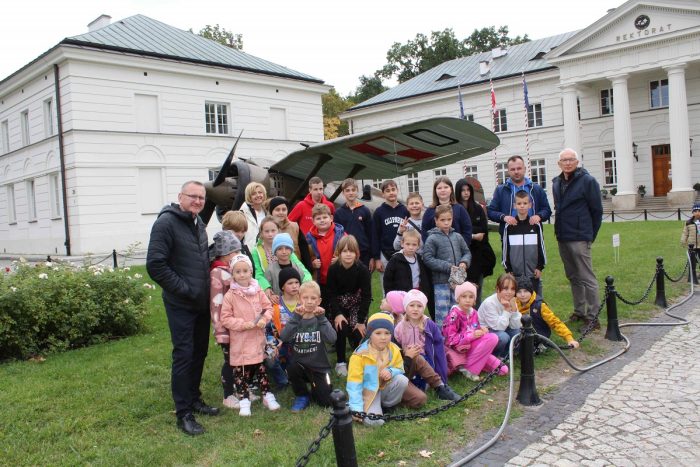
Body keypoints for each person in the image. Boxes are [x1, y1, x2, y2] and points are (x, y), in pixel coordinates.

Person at [146, 180, 219, 436]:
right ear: (180, 197)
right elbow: (155, 265)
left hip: (200, 302)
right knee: (184, 354)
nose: (198, 201)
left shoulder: (197, 223)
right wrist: (185, 289)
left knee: (199, 352)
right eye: (193, 196)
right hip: (181, 303)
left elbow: (195, 259)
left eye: (201, 197)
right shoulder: (166, 223)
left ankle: (194, 398)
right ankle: (183, 413)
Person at [219, 254, 281, 416]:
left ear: (251, 272)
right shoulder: (230, 295)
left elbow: (267, 308)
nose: (242, 274)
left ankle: (267, 394)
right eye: (238, 271)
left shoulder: (258, 290)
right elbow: (225, 318)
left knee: (261, 368)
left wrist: (264, 320)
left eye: (245, 270)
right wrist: (242, 324)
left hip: (257, 337)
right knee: (240, 371)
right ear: (233, 274)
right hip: (240, 340)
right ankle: (244, 399)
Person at [552, 148, 603, 328]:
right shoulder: (556, 182)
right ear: (559, 164)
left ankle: (593, 316)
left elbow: (597, 211)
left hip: (580, 236)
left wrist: (590, 235)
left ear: (577, 162)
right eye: (564, 160)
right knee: (573, 276)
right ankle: (579, 311)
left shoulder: (587, 181)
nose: (567, 163)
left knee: (586, 276)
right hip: (563, 236)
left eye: (571, 159)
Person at [347, 313, 427, 427]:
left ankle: (387, 406)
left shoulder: (393, 348)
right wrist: (356, 408)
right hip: (369, 392)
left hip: (386, 386)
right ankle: (369, 407)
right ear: (370, 334)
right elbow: (354, 384)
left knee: (402, 380)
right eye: (378, 333)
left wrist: (391, 371)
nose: (383, 337)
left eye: (387, 333)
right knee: (376, 422)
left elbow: (399, 367)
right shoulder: (359, 356)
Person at [379, 291, 460, 401]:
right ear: (405, 307)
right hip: (406, 363)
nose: (415, 309)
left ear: (424, 307)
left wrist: (442, 374)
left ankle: (439, 386)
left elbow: (438, 349)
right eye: (412, 305)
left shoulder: (429, 325)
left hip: (426, 361)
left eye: (419, 306)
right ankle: (418, 386)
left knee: (420, 364)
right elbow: (394, 350)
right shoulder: (399, 328)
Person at [280, 281, 337, 412]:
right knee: (292, 368)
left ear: (319, 300)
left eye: (313, 298)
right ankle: (302, 395)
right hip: (300, 366)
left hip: (320, 368)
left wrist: (322, 319)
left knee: (325, 402)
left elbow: (332, 338)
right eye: (305, 298)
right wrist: (295, 318)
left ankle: (318, 388)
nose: (309, 301)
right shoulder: (295, 318)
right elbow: (284, 337)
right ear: (299, 299)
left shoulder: (320, 318)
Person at [443, 282, 508, 381]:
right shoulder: (454, 315)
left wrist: (481, 330)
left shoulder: (474, 313)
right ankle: (470, 370)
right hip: (459, 351)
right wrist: (471, 335)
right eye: (464, 296)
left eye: (471, 297)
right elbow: (450, 341)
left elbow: (475, 330)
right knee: (493, 337)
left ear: (474, 300)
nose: (467, 300)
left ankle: (475, 363)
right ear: (458, 298)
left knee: (503, 370)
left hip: (474, 350)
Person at [326, 235, 371, 377]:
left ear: (356, 253)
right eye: (344, 251)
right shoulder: (333, 269)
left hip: (356, 304)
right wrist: (338, 314)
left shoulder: (362, 270)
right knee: (341, 327)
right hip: (338, 305)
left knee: (359, 332)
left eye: (351, 251)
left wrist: (360, 321)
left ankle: (359, 358)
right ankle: (341, 362)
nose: (348, 254)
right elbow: (331, 294)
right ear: (339, 253)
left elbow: (366, 296)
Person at [208, 230, 243, 410]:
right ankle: (228, 394)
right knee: (230, 361)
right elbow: (216, 304)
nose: (239, 255)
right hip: (226, 327)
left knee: (240, 359)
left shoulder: (234, 270)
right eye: (236, 252)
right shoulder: (217, 273)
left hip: (239, 326)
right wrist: (221, 328)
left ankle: (240, 389)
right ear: (226, 254)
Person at [422, 204, 471, 326]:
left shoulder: (457, 236)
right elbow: (427, 258)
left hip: (458, 282)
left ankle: (458, 339)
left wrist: (464, 262)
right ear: (436, 221)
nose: (446, 223)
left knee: (458, 312)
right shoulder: (432, 238)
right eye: (442, 220)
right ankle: (442, 342)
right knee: (443, 315)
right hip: (441, 283)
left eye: (449, 219)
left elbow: (467, 252)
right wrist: (448, 267)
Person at [487, 155, 551, 240]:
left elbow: (547, 209)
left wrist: (539, 216)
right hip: (509, 235)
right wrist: (504, 217)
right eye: (512, 169)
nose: (516, 172)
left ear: (524, 168)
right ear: (508, 171)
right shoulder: (500, 190)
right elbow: (491, 212)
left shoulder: (536, 189)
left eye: (519, 168)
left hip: (533, 234)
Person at [455, 179, 495, 306]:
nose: (466, 193)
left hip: (478, 255)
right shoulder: (455, 209)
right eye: (463, 190)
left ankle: (476, 316)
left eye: (468, 190)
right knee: (459, 289)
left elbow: (483, 232)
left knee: (476, 289)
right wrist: (472, 235)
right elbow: (457, 231)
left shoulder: (477, 208)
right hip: (460, 255)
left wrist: (469, 233)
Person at [253, 218, 309, 305]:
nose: (270, 234)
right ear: (261, 233)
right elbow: (258, 273)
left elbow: (301, 268)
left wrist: (305, 284)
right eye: (266, 231)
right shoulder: (256, 251)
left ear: (278, 231)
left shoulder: (287, 248)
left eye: (273, 230)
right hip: (273, 291)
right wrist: (266, 287)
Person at [514, 276, 579, 351]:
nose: (522, 295)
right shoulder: (514, 302)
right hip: (520, 331)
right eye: (519, 292)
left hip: (538, 334)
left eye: (525, 291)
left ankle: (537, 346)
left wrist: (569, 339)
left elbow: (555, 323)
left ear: (531, 291)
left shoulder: (540, 306)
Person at [383, 229, 435, 320]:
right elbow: (387, 279)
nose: (411, 247)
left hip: (416, 294)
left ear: (418, 246)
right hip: (401, 296)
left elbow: (424, 277)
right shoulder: (395, 259)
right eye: (408, 244)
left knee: (415, 317)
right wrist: (390, 296)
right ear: (402, 243)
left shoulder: (419, 259)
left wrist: (425, 293)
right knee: (401, 319)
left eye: (414, 245)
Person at [502, 191, 546, 295]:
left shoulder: (535, 225)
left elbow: (541, 247)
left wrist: (540, 266)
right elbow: (505, 248)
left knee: (535, 301)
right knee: (517, 302)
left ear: (530, 205)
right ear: (514, 206)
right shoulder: (509, 227)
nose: (522, 206)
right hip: (515, 274)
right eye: (519, 203)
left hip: (533, 273)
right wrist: (508, 268)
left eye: (525, 203)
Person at [371, 179, 409, 288]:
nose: (391, 192)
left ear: (397, 190)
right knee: (386, 287)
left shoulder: (405, 210)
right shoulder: (378, 212)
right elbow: (375, 236)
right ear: (383, 194)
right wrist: (377, 258)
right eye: (387, 190)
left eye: (393, 189)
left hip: (402, 253)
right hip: (384, 254)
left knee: (403, 285)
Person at [306, 203, 345, 309]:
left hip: (339, 280)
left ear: (331, 218)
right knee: (322, 309)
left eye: (325, 217)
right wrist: (312, 262)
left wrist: (340, 259)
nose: (322, 220)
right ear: (313, 221)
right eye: (318, 218)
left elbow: (352, 251)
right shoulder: (308, 239)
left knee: (338, 309)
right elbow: (306, 258)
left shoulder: (341, 235)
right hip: (320, 281)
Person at [478, 273, 522, 358]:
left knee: (518, 332)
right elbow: (498, 327)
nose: (509, 292)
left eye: (512, 289)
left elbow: (516, 325)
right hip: (487, 331)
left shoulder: (511, 301)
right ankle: (493, 356)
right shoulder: (489, 303)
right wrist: (506, 309)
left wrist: (514, 310)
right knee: (503, 337)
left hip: (503, 327)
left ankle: (505, 356)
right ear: (498, 289)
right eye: (505, 288)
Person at [333, 178, 373, 269]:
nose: (350, 193)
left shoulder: (365, 211)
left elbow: (371, 234)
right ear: (343, 193)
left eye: (353, 190)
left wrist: (372, 257)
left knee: (364, 281)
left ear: (357, 192)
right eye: (347, 190)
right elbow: (336, 236)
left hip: (364, 254)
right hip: (346, 253)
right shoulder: (338, 213)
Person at [421, 176, 472, 246]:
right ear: (435, 191)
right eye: (439, 188)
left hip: (457, 252)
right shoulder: (429, 211)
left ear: (451, 189)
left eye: (446, 187)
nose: (443, 190)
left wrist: (460, 248)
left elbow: (467, 231)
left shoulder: (460, 209)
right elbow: (424, 232)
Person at [268, 196, 312, 271]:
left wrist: (308, 269)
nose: (281, 212)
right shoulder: (267, 228)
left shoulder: (295, 227)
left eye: (284, 209)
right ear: (272, 211)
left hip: (295, 268)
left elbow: (304, 250)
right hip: (274, 269)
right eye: (277, 210)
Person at [263, 232, 311, 298]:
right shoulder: (270, 270)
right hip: (278, 305)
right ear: (275, 252)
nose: (284, 252)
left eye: (287, 248)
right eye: (280, 249)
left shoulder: (298, 268)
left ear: (291, 251)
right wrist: (272, 296)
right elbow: (268, 292)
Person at [221, 210, 255, 275]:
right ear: (225, 229)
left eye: (242, 231)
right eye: (236, 231)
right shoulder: (219, 251)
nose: (240, 235)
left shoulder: (244, 248)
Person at [239, 182, 268, 252]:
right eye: (254, 194)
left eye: (260, 192)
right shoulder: (242, 213)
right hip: (250, 252)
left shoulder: (267, 211)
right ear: (249, 196)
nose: (258, 195)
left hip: (267, 251)